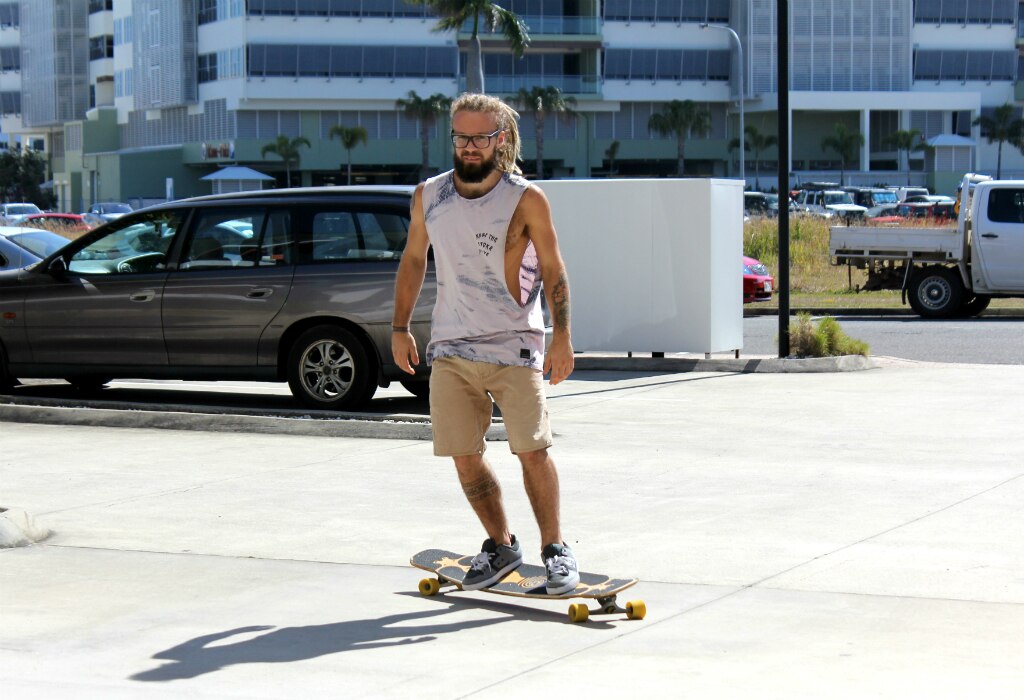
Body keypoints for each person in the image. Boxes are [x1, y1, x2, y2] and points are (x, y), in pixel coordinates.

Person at [391, 93, 578, 594]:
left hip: (515, 344)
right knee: (463, 453)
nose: (469, 146)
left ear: (501, 139)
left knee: (532, 450)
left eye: (480, 137)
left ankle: (556, 550)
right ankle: (500, 544)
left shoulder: (526, 199)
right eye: (461, 137)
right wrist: (399, 326)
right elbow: (413, 260)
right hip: (451, 346)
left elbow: (554, 270)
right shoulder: (428, 196)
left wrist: (562, 336)